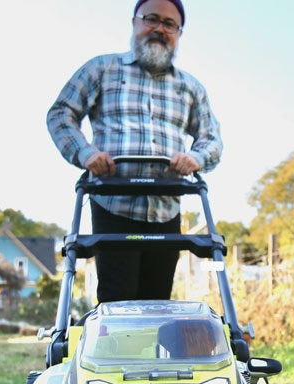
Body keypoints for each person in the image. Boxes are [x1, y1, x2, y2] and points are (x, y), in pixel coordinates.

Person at [47, 0, 223, 304]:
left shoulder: (191, 87)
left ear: (179, 32)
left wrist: (195, 158)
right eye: (151, 19)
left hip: (166, 205)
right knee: (117, 299)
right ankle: (108, 351)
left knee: (158, 302)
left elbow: (212, 138)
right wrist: (86, 153)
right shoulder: (102, 68)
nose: (159, 29)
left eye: (169, 24)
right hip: (113, 202)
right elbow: (61, 114)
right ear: (134, 22)